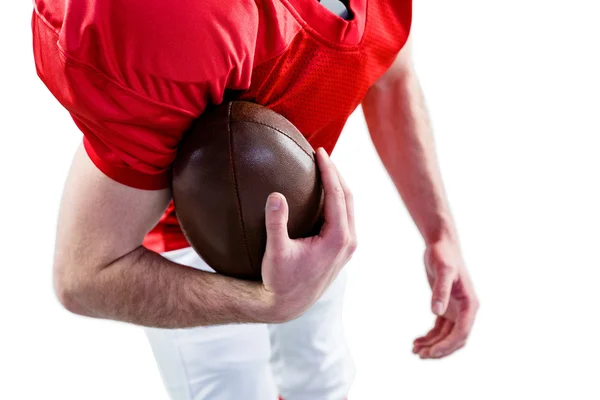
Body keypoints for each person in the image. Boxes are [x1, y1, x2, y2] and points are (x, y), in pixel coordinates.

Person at [32, 0, 479, 398]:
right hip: (187, 249)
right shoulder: (182, 16)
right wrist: (268, 303)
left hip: (309, 218)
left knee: (323, 383)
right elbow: (84, 273)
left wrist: (439, 233)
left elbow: (391, 72)